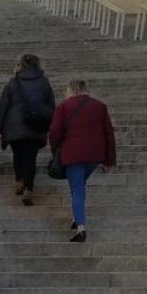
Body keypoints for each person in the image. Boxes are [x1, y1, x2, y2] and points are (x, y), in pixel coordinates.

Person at [49, 79, 117, 242]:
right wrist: (109, 160)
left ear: (72, 90)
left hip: (73, 154)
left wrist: (56, 150)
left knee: (77, 188)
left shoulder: (63, 107)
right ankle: (76, 217)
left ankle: (80, 227)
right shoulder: (100, 106)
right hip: (95, 155)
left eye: (66, 90)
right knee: (78, 186)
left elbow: (54, 133)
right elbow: (109, 134)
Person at [0, 53, 56, 206]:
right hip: (36, 126)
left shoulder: (13, 83)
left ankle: (19, 180)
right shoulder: (44, 83)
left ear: (21, 65)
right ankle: (29, 188)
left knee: (18, 155)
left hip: (15, 126)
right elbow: (51, 106)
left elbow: (4, 106)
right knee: (30, 158)